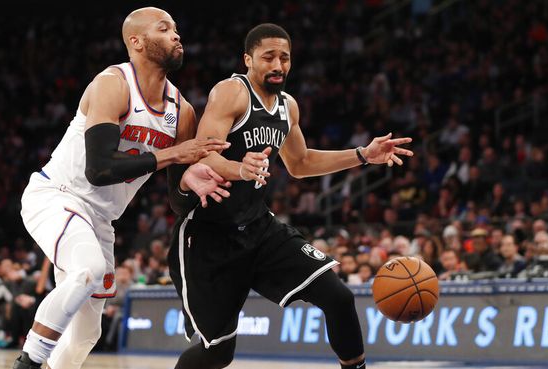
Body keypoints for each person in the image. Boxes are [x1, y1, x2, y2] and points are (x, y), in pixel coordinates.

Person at [168, 23, 413, 369]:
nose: (278, 65)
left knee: (338, 297)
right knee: (217, 353)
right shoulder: (232, 92)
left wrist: (361, 154)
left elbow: (300, 163)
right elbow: (204, 153)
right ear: (248, 59)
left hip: (258, 227)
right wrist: (240, 168)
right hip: (209, 236)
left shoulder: (288, 107)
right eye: (269, 57)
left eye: (285, 58)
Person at [12, 7, 232, 369]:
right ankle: (27, 363)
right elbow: (99, 169)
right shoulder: (112, 84)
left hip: (101, 219)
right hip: (58, 196)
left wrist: (189, 180)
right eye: (164, 29)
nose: (176, 35)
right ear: (137, 41)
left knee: (86, 334)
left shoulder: (184, 112)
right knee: (87, 270)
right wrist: (173, 153)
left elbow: (177, 198)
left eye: (177, 29)